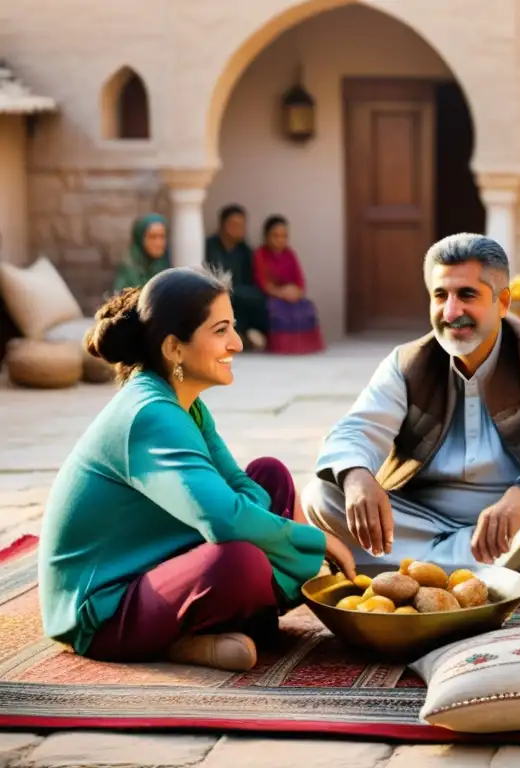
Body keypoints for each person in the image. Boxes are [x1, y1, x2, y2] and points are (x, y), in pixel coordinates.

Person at [37, 268, 355, 672]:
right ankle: (188, 640)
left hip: (152, 560)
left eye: (234, 328)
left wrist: (254, 517)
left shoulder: (185, 402)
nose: (237, 344)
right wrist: (313, 538)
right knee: (240, 560)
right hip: (101, 610)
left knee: (269, 475)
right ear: (174, 348)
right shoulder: (150, 414)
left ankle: (222, 622)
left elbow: (236, 486)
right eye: (221, 330)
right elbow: (223, 520)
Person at [301, 233, 520, 606]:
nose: (451, 311)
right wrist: (358, 477)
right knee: (321, 495)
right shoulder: (408, 362)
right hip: (415, 521)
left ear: (503, 302)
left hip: (506, 524)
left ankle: (410, 581)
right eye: (440, 296)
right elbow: (358, 428)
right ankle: (497, 581)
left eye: (467, 295)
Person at [253, 215, 325, 355]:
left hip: (292, 296)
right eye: (275, 236)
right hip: (271, 297)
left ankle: (304, 347)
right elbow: (263, 282)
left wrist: (296, 292)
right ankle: (283, 347)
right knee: (278, 309)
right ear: (266, 236)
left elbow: (300, 281)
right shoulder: (260, 254)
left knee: (307, 307)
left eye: (284, 236)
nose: (280, 240)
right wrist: (281, 293)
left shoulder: (290, 254)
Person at [205, 204, 268, 351]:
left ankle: (243, 334)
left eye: (242, 225)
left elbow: (251, 280)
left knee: (257, 299)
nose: (240, 229)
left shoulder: (245, 251)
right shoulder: (209, 246)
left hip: (238, 295)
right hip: (214, 293)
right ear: (223, 225)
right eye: (235, 224)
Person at [112, 214, 170, 293]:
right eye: (152, 237)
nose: (158, 243)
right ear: (140, 238)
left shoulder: (164, 266)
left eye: (162, 237)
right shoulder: (130, 269)